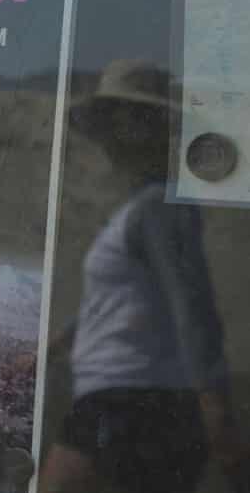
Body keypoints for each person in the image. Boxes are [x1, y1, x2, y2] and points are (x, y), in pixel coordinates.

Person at [40, 60, 246, 493]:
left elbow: (193, 306)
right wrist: (54, 346)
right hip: (135, 401)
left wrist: (217, 407)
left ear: (151, 126)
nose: (114, 130)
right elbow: (122, 303)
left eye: (127, 116)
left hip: (130, 403)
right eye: (111, 116)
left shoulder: (157, 208)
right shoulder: (143, 208)